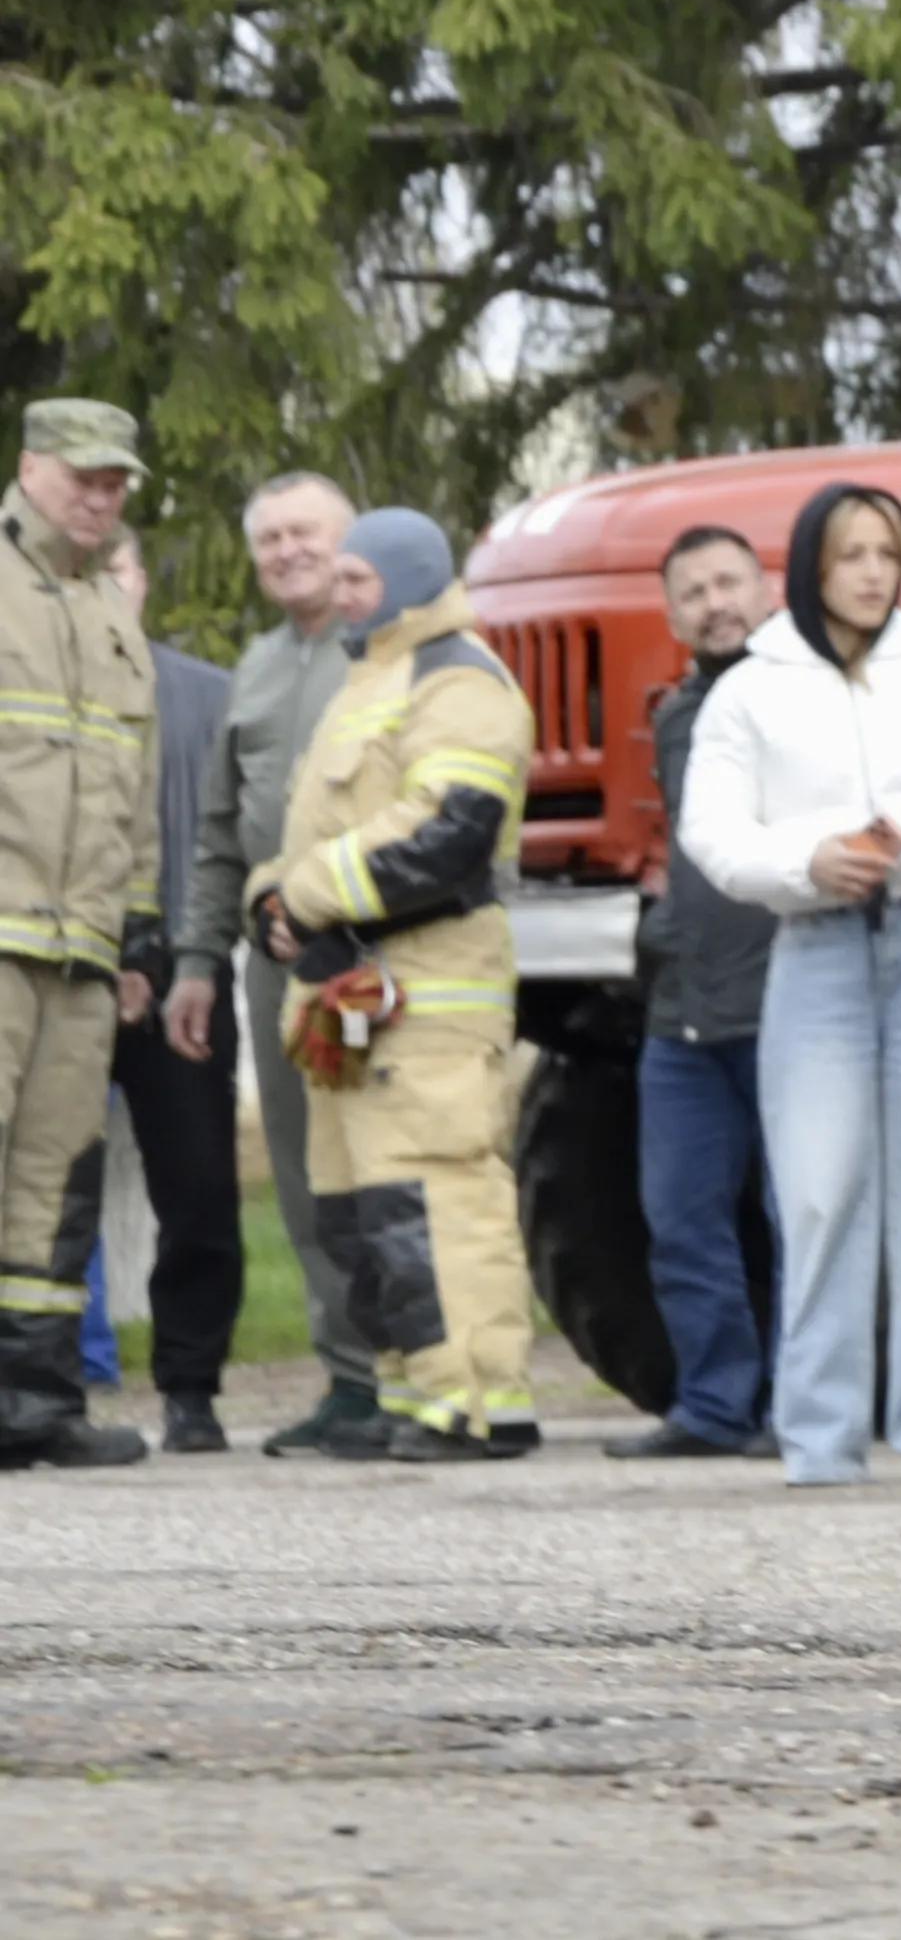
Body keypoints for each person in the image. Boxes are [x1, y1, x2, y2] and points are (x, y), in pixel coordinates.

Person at [683, 485, 901, 1485]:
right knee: (820, 1192)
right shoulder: (750, 689)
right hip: (815, 952)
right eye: (851, 554)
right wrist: (810, 863)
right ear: (810, 566)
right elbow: (714, 835)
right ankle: (820, 1440)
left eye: (889, 550)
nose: (874, 571)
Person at [245, 507, 535, 1460]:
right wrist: (271, 907)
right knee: (360, 1213)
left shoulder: (461, 680)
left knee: (439, 1199)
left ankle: (483, 1401)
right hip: (349, 998)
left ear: (413, 581)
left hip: (432, 994)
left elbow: (446, 833)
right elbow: (304, 841)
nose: (340, 592)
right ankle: (416, 1394)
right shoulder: (368, 679)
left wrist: (305, 896)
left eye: (361, 580)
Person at [167, 471, 380, 1452]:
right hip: (275, 964)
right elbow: (218, 833)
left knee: (395, 1164)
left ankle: (428, 1375)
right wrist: (198, 962)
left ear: (350, 543)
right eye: (269, 540)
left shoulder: (392, 650)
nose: (287, 551)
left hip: (382, 954)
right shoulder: (252, 669)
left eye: (306, 533)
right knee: (304, 1174)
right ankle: (349, 1382)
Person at [0, 400, 165, 1469]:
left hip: (81, 957)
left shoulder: (116, 615)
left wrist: (138, 933)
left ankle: (37, 1407)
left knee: (54, 1183)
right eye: (83, 478)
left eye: (116, 484)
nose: (100, 499)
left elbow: (135, 798)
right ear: (30, 467)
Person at [615, 525, 781, 1461]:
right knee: (680, 1214)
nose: (714, 602)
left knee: (797, 1213)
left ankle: (803, 1408)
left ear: (765, 591)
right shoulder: (677, 714)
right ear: (672, 611)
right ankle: (715, 1406)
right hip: (681, 1004)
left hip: (779, 994)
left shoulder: (800, 695)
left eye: (729, 582)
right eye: (693, 590)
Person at [102, 533, 241, 1453]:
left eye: (120, 570)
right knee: (42, 1191)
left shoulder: (210, 696)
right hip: (57, 973)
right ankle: (33, 1388)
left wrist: (177, 958)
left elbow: (223, 835)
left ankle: (191, 1388)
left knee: (197, 1187)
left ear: (144, 581)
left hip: (185, 975)